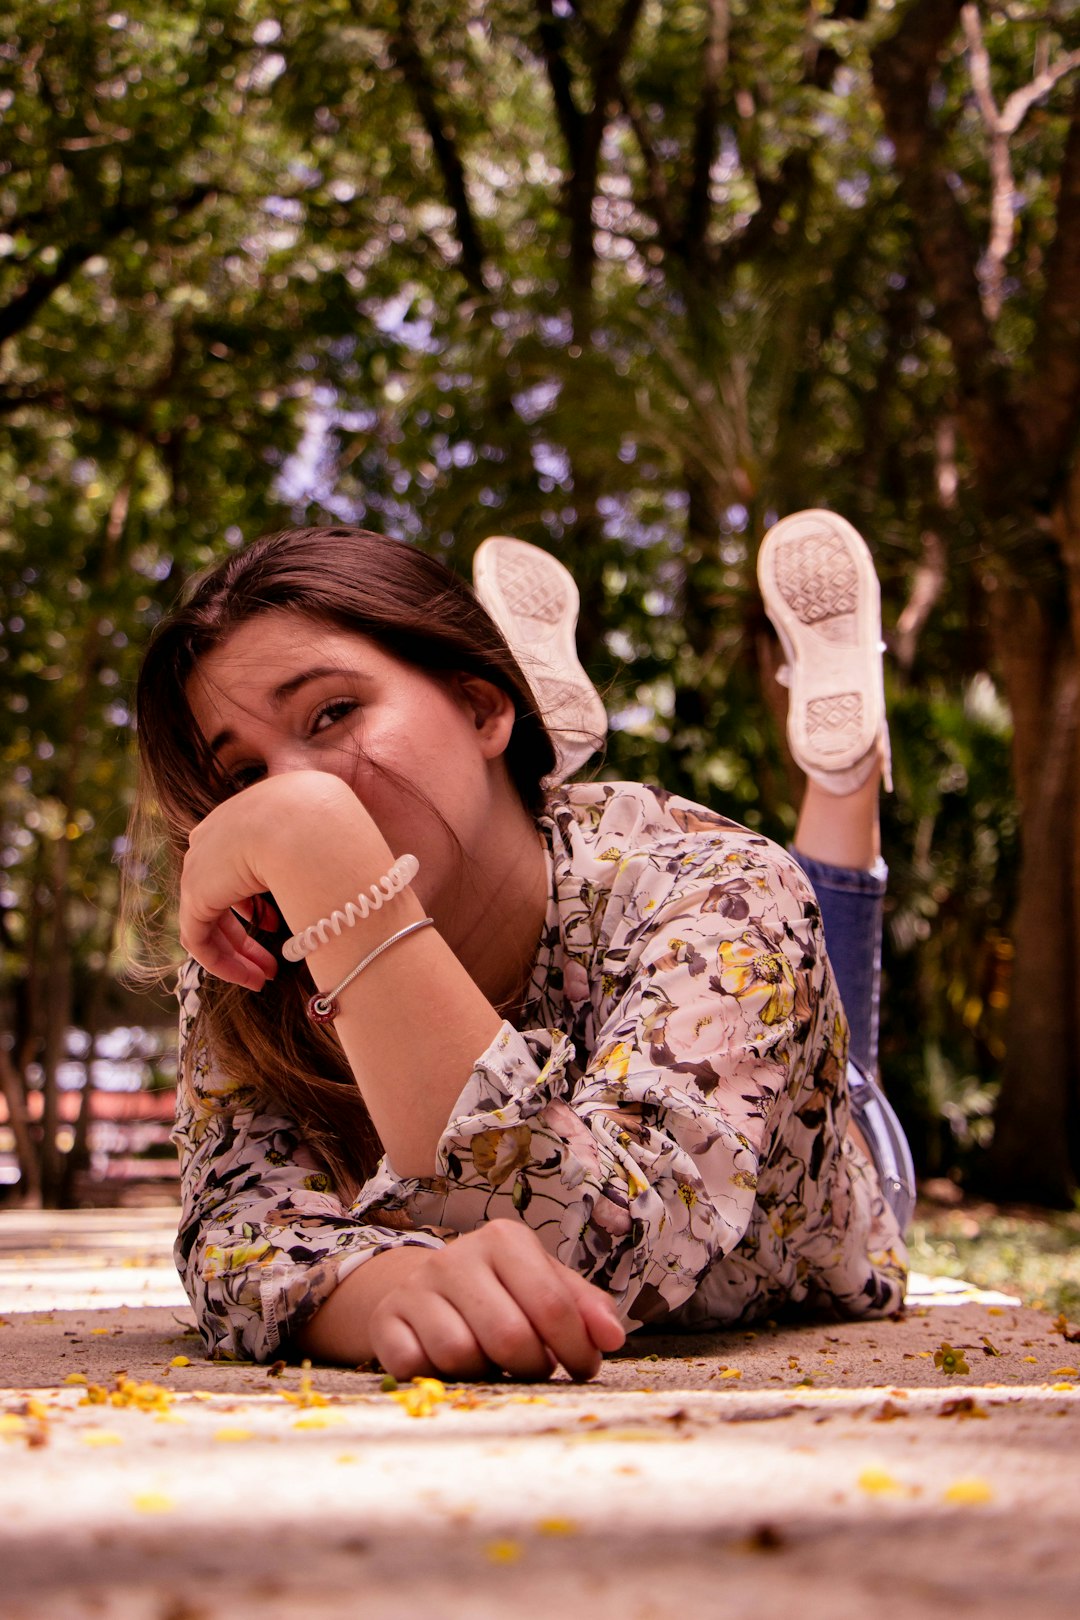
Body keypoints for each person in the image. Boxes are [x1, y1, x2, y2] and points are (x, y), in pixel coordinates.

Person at [127, 512, 910, 1380]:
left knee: (816, 977)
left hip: (808, 1159)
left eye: (333, 712)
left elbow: (590, 1260)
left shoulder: (719, 886)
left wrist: (328, 845)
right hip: (542, 867)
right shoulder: (265, 934)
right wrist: (393, 1288)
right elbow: (237, 1238)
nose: (288, 796)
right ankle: (531, 759)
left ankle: (846, 772)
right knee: (504, 831)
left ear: (478, 702)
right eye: (243, 780)